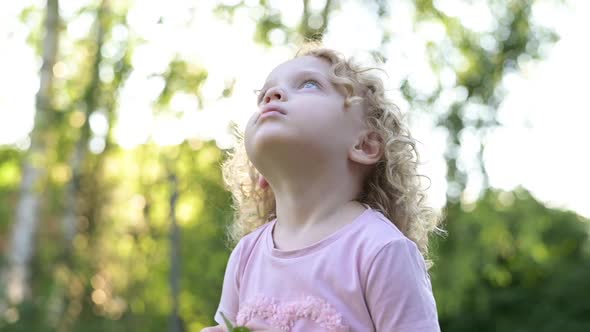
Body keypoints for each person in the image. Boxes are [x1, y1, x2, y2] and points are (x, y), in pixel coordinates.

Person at [202, 43, 445, 332]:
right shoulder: (246, 255)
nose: (271, 95)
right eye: (263, 94)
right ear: (260, 174)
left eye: (308, 84)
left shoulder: (381, 249)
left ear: (364, 145)